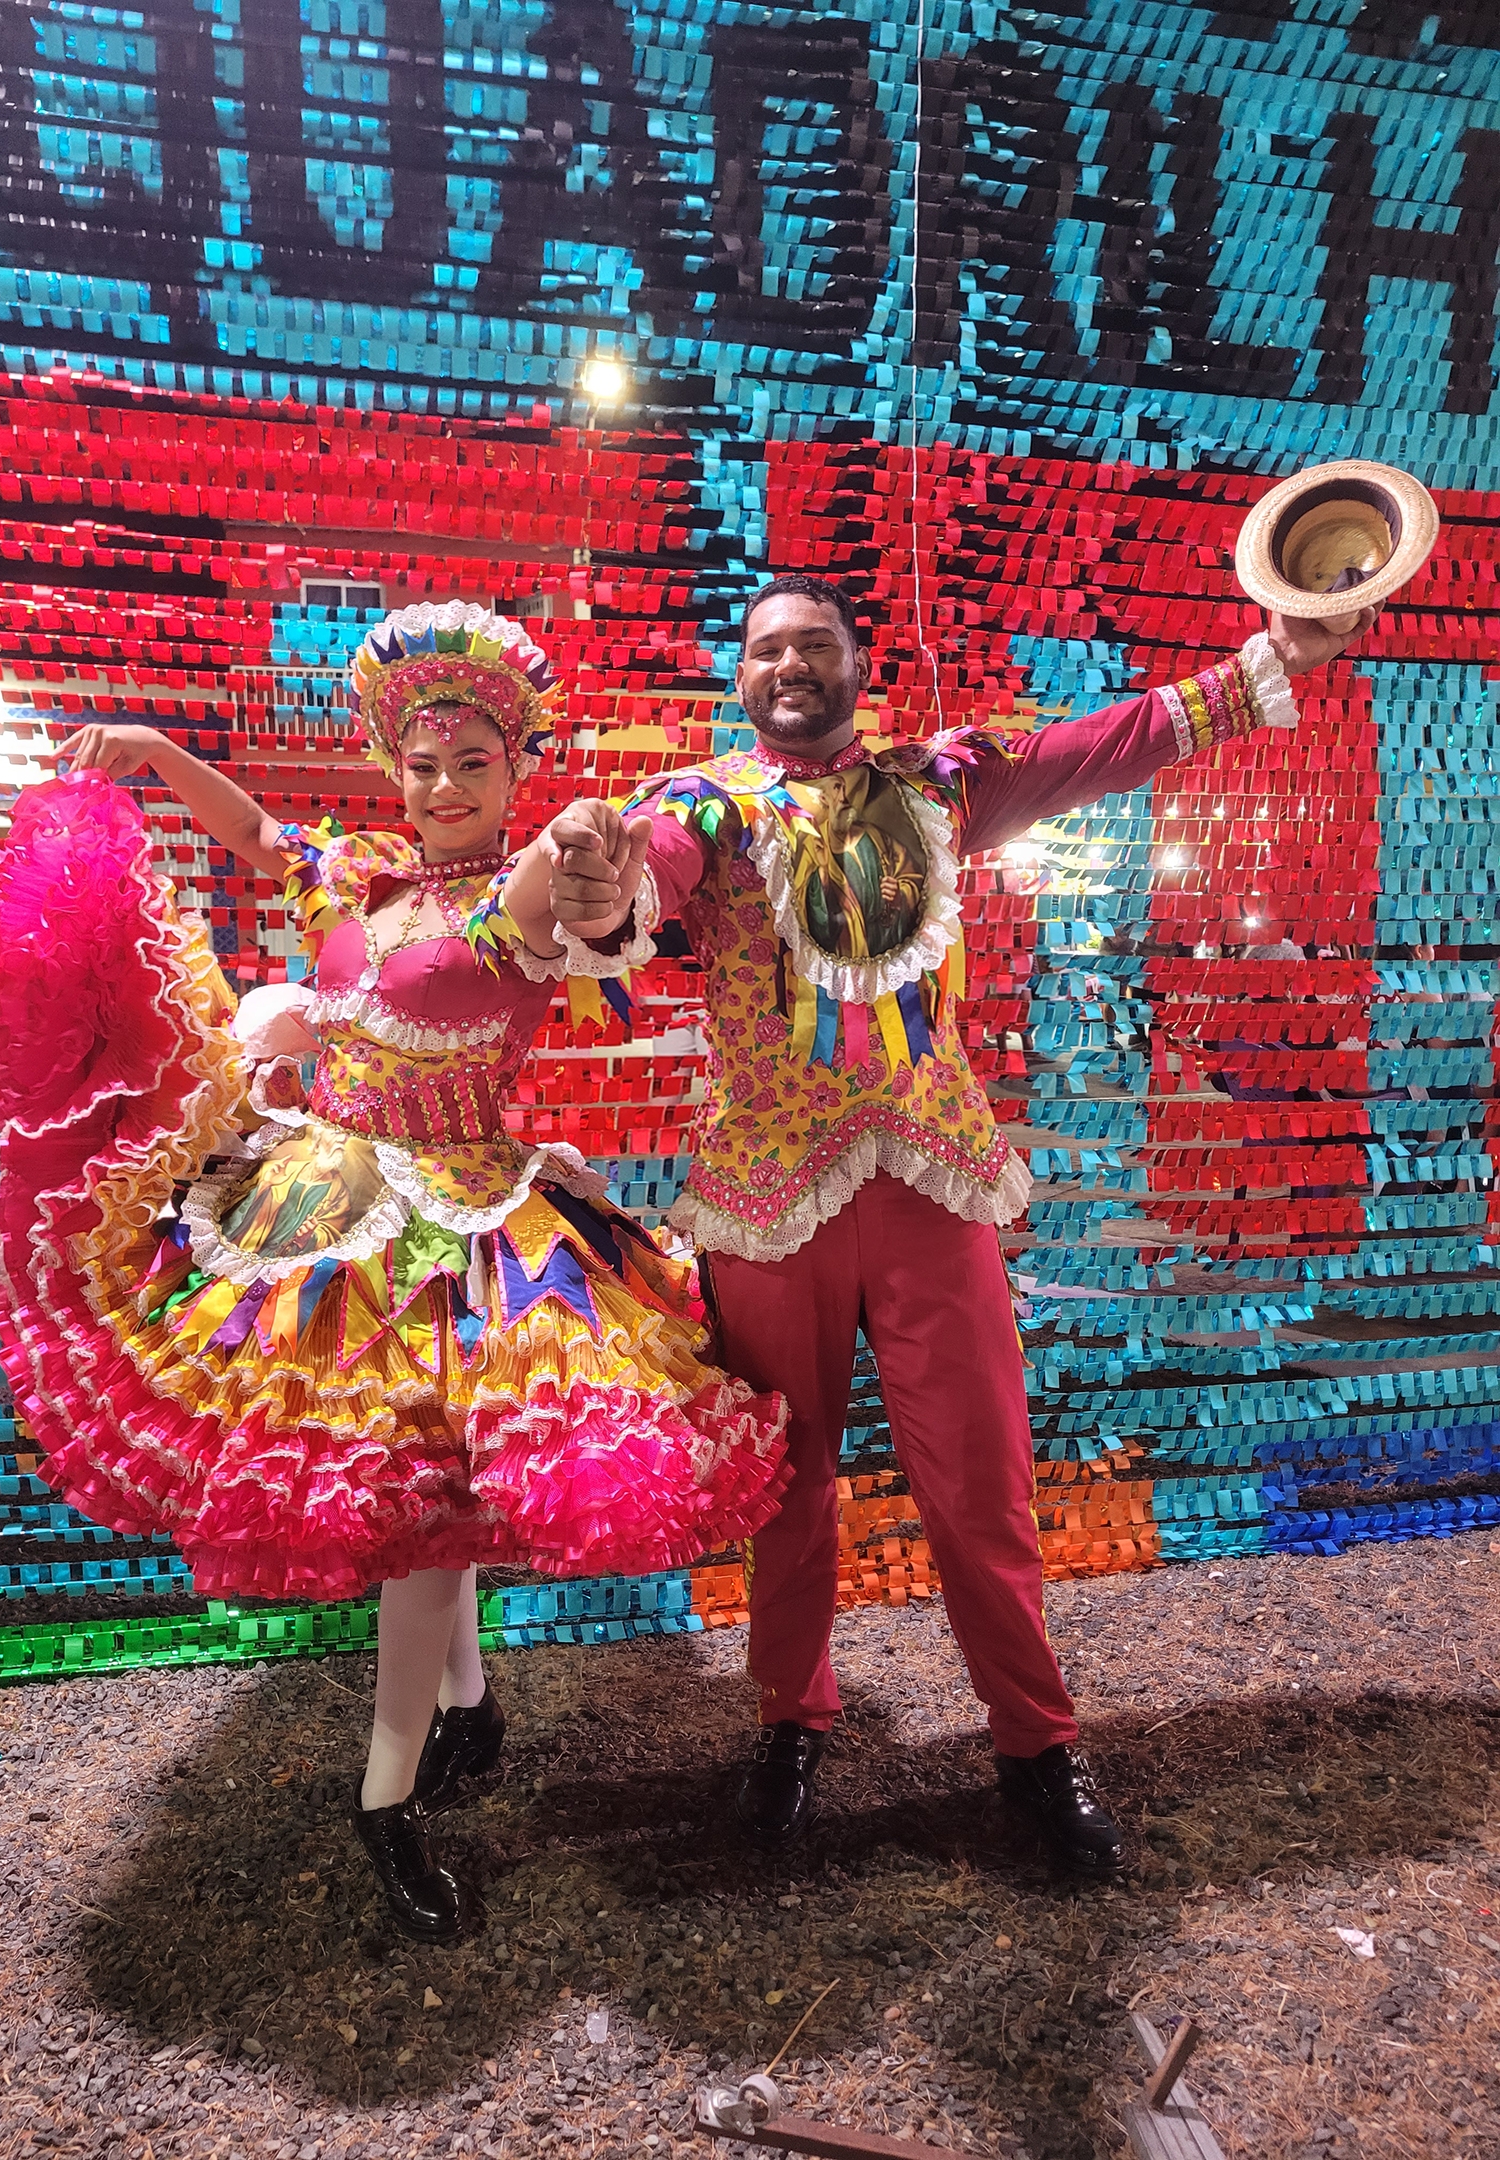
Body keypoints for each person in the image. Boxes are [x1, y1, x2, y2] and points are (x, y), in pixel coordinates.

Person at [0, 601, 789, 1940]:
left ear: (516, 771)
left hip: (465, 1230)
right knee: (424, 1501)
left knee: (419, 1505)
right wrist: (153, 752)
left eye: (473, 765)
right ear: (393, 770)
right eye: (423, 765)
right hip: (317, 1206)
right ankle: (469, 1708)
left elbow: (582, 857)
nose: (445, 787)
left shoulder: (523, 898)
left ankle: (387, 1797)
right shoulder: (356, 877)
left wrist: (594, 831)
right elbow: (255, 834)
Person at [545, 574, 1377, 1873]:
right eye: (766, 650)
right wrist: (601, 883)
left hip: (934, 1189)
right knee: (786, 1492)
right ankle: (789, 1726)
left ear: (860, 663)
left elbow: (1102, 744)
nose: (790, 665)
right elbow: (644, 876)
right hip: (768, 1205)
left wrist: (1275, 657)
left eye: (815, 643)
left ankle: (1037, 1748)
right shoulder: (700, 806)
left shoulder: (938, 783)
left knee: (982, 1488)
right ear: (740, 677)